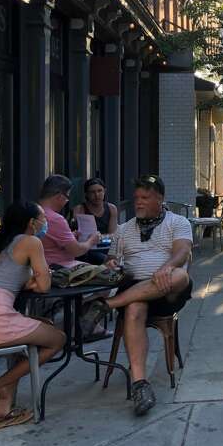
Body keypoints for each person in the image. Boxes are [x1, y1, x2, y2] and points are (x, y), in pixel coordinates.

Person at [0, 202, 66, 430]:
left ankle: (4, 402)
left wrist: (33, 280)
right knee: (58, 339)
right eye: (42, 218)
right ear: (31, 223)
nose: (45, 222)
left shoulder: (1, 245)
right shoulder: (31, 242)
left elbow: (23, 280)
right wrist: (39, 278)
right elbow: (45, 285)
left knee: (41, 327)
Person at [97, 175, 193, 416]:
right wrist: (110, 264)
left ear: (159, 199)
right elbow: (111, 258)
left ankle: (108, 305)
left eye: (145, 198)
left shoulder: (177, 222)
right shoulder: (124, 230)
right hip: (134, 290)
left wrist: (167, 267)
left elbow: (183, 251)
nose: (138, 202)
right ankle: (140, 385)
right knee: (134, 307)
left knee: (181, 276)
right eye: (137, 197)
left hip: (167, 292)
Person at [38, 174, 100, 268]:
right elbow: (77, 250)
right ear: (59, 196)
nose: (66, 202)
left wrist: (70, 236)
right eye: (67, 197)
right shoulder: (56, 219)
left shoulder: (32, 211)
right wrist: (91, 241)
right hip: (58, 268)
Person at [72, 177, 118, 265]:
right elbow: (78, 235)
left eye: (100, 191)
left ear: (104, 191)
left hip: (105, 247)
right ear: (86, 194)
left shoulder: (111, 208)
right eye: (92, 192)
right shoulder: (80, 209)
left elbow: (113, 235)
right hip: (87, 248)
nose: (97, 195)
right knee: (103, 259)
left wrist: (100, 238)